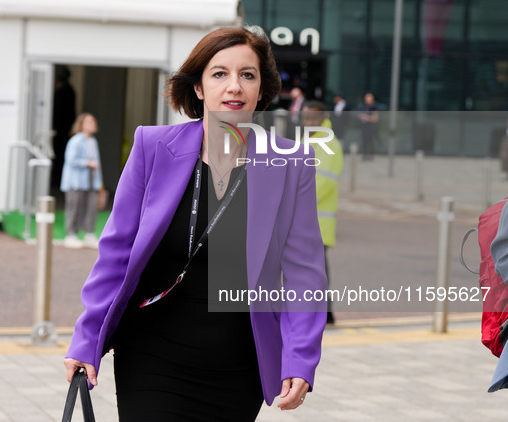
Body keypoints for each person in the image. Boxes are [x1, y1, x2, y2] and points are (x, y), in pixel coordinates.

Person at [63, 27, 327, 421]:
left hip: (239, 365)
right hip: (152, 353)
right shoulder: (153, 148)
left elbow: (305, 273)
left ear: (261, 91)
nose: (233, 86)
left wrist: (300, 359)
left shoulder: (290, 164)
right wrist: (87, 339)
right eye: (219, 73)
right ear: (199, 88)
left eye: (247, 75)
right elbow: (115, 253)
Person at [302, 101, 343, 325]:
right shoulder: (308, 139)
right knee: (308, 270)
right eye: (305, 118)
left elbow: (323, 182)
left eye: (311, 119)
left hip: (318, 221)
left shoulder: (329, 143)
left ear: (322, 119)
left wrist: (296, 201)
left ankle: (325, 313)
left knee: (315, 271)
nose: (307, 122)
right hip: (306, 219)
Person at [60, 113, 103, 249]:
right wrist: (87, 163)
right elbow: (71, 160)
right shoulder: (76, 141)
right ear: (81, 124)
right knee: (74, 207)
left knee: (91, 207)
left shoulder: (93, 141)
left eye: (93, 121)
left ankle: (89, 234)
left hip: (91, 180)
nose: (93, 124)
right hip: (76, 181)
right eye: (89, 122)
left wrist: (100, 183)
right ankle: (70, 234)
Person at [51, 65, 77, 189]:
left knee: (60, 155)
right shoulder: (68, 90)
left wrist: (56, 126)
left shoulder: (64, 91)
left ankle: (57, 182)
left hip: (62, 130)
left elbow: (61, 112)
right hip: (62, 129)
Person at [358, 92, 379, 160]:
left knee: (370, 141)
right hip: (364, 126)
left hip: (371, 127)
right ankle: (365, 154)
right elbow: (360, 115)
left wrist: (367, 117)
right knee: (364, 141)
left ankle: (370, 155)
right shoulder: (364, 107)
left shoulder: (373, 107)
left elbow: (376, 118)